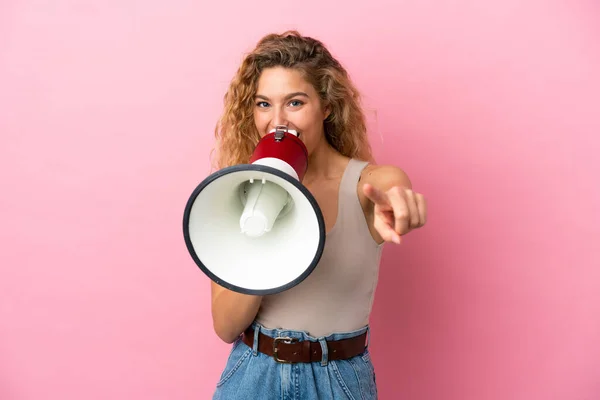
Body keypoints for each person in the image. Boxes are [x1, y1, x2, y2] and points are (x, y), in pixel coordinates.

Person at [209, 30, 427, 399]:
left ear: (326, 107)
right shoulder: (235, 191)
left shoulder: (369, 184)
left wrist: (402, 210)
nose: (277, 120)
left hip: (337, 380)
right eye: (264, 104)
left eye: (294, 102)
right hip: (253, 375)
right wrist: (259, 224)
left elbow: (394, 195)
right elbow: (227, 326)